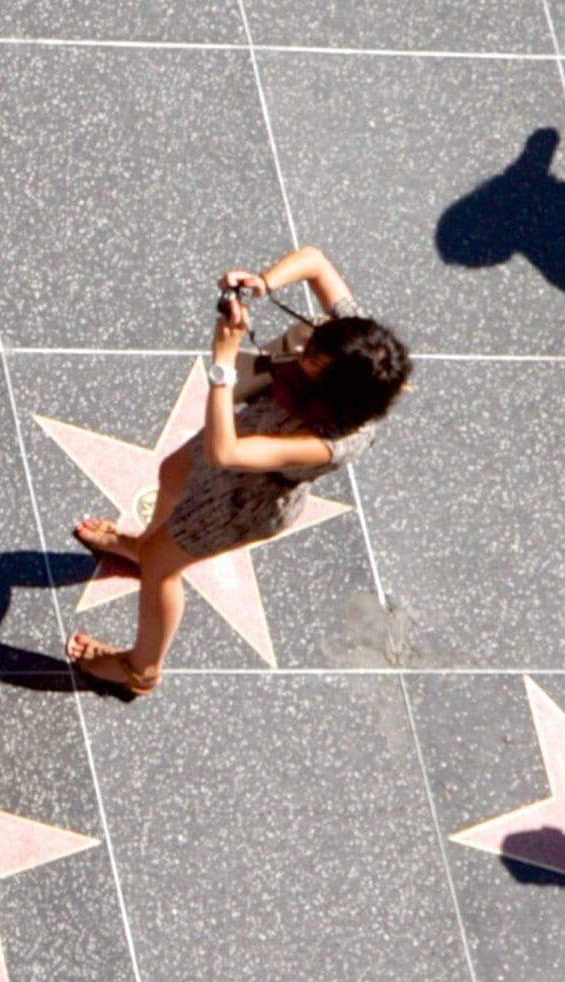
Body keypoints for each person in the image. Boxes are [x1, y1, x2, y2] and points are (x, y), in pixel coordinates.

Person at [63, 246, 410, 696]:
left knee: (162, 568)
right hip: (237, 441)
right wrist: (264, 282)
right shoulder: (360, 350)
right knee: (171, 474)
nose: (301, 346)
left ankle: (141, 669)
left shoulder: (329, 441)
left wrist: (223, 363)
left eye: (312, 360)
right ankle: (145, 546)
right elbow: (316, 261)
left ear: (335, 393)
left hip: (242, 501)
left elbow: (225, 451)